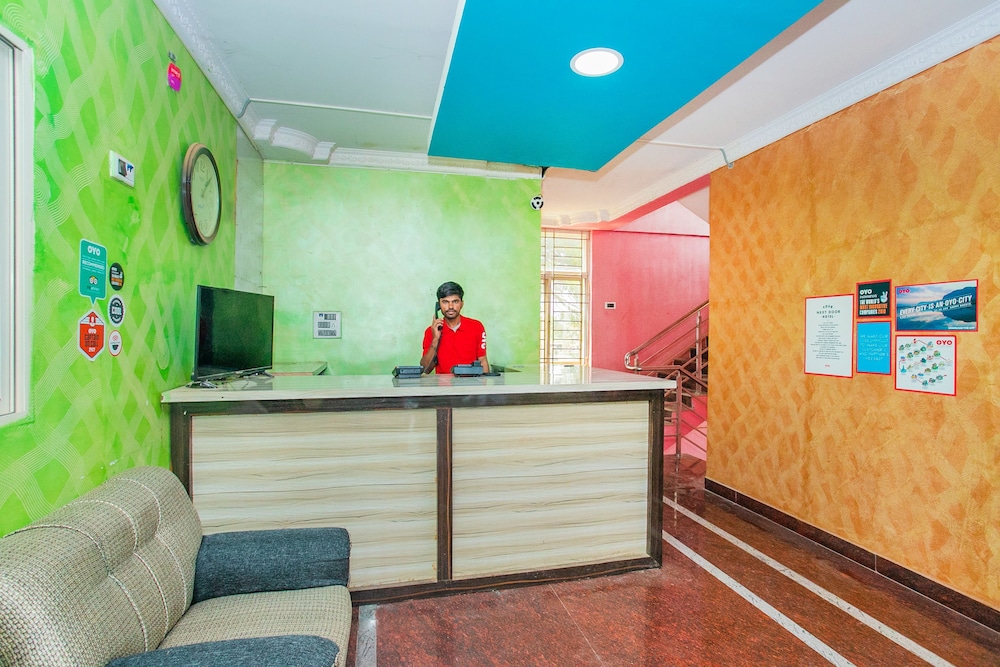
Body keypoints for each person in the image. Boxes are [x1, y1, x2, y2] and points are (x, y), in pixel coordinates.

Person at [421, 281, 489, 374]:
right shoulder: (431, 331)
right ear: (439, 305)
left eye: (455, 301)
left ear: (461, 304)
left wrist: (485, 383)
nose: (450, 306)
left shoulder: (476, 327)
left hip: (471, 382)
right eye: (445, 302)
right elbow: (426, 370)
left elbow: (482, 361)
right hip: (443, 383)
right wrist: (435, 339)